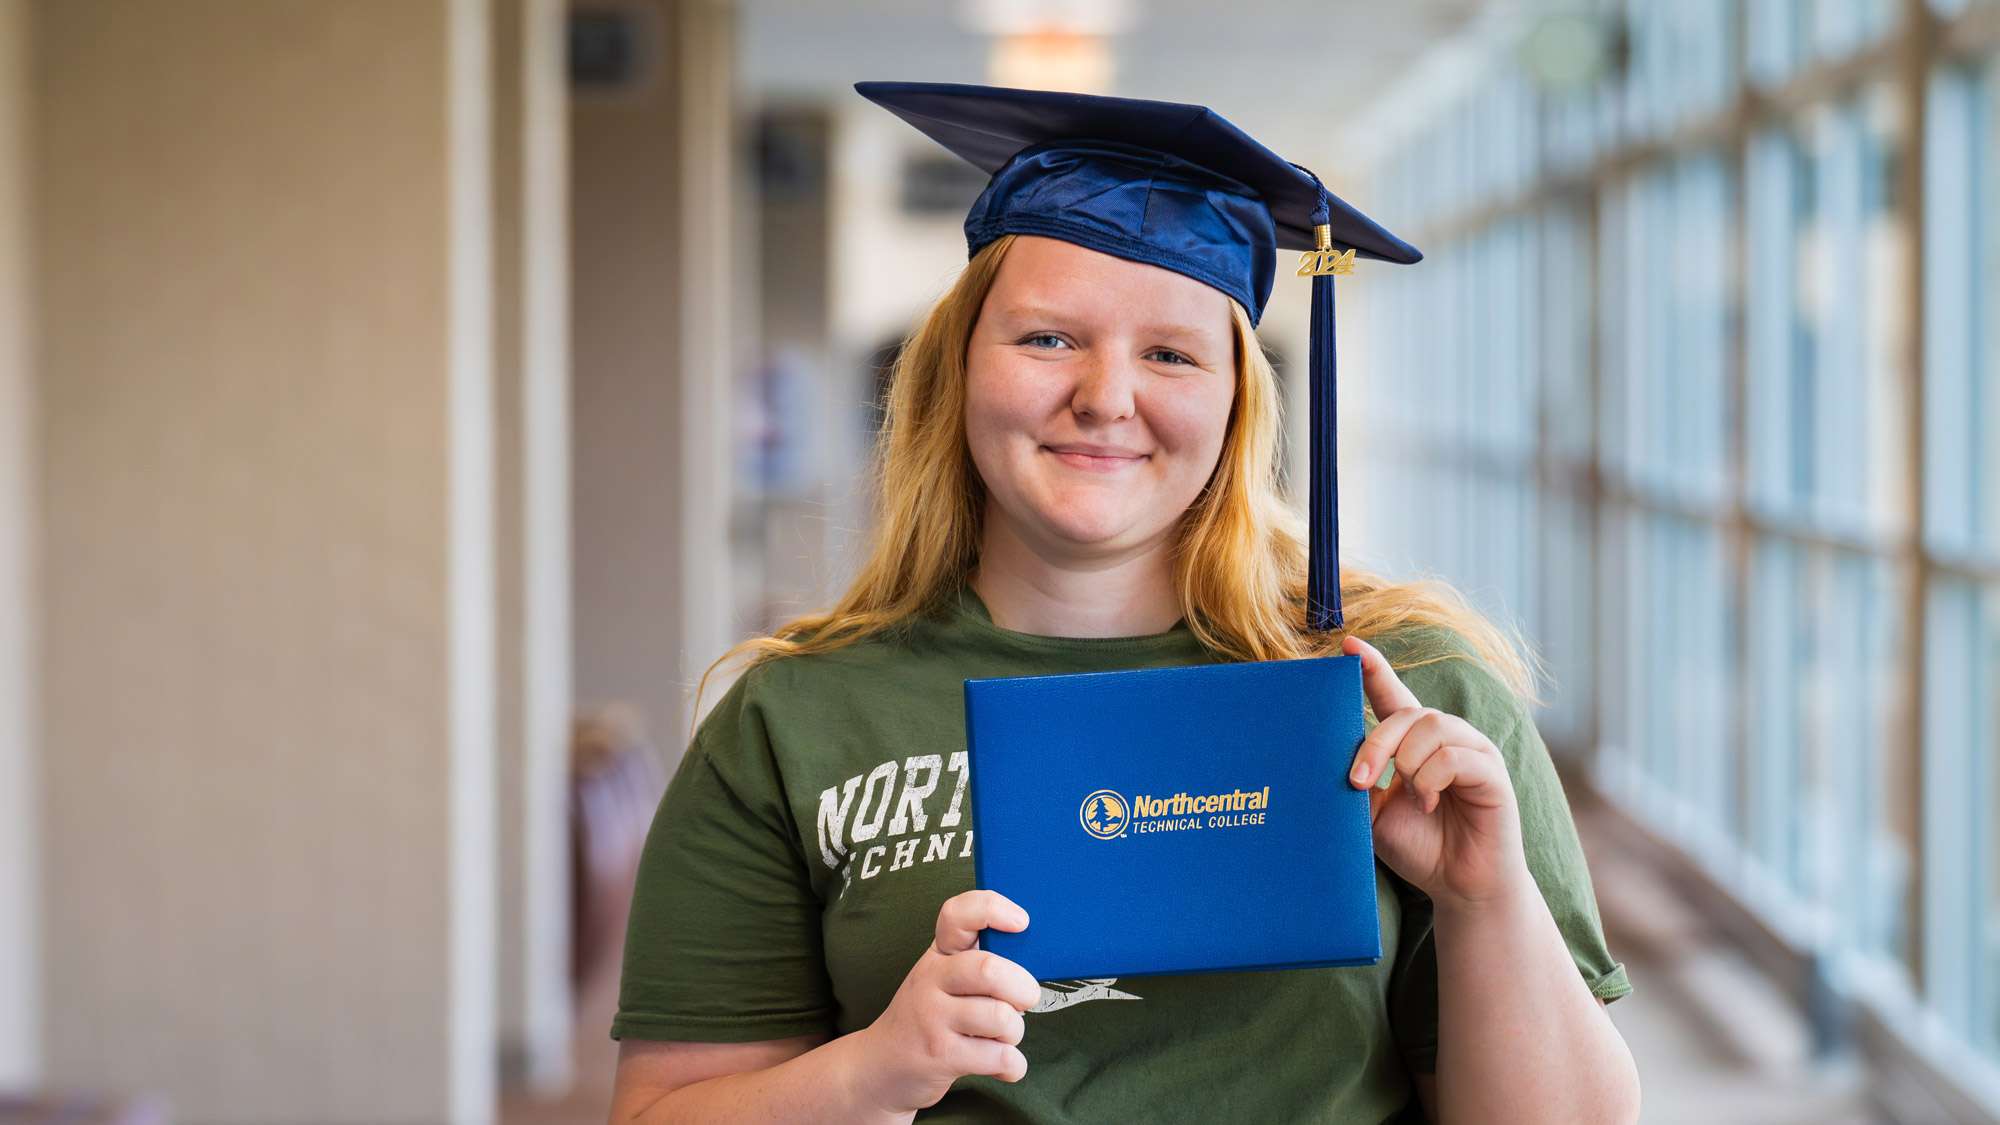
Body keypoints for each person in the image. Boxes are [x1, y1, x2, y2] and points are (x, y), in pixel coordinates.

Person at [607, 81, 1639, 1124]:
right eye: (1046, 339)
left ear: (1236, 400)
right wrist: (870, 1071)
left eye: (1169, 354)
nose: (1104, 397)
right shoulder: (798, 718)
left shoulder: (1406, 696)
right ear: (956, 369)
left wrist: (1481, 898)